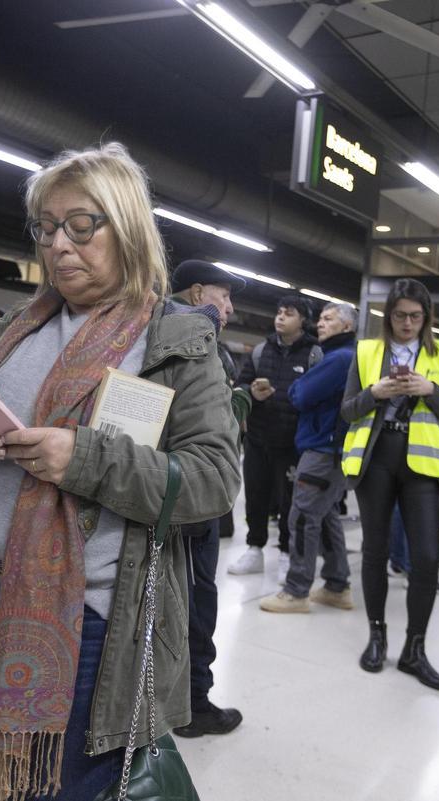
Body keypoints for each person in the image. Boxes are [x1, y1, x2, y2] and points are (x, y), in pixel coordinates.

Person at [0, 143, 240, 801]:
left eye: (81, 225)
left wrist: (81, 457)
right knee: (3, 779)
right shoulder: (16, 330)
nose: (59, 244)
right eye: (47, 227)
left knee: (66, 788)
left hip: (90, 616)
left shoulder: (175, 340)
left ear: (128, 226)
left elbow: (212, 478)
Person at [340, 278, 439, 692]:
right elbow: (347, 410)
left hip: (424, 464)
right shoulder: (367, 351)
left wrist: (429, 389)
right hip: (377, 459)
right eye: (399, 315)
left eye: (414, 316)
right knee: (375, 551)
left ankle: (415, 648)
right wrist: (375, 392)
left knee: (426, 558)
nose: (407, 323)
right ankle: (377, 635)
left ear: (425, 318)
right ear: (388, 316)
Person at [168, 258, 248, 738]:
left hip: (158, 489)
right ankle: (194, 703)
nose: (231, 309)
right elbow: (214, 423)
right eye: (225, 296)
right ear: (197, 293)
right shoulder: (200, 345)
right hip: (193, 494)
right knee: (199, 599)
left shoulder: (144, 331)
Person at [260, 301, 357, 613]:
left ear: (347, 327)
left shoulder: (339, 359)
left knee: (301, 516)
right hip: (330, 448)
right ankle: (336, 584)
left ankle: (297, 590)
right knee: (325, 516)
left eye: (330, 320)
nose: (321, 324)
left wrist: (297, 385)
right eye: (322, 319)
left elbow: (299, 394)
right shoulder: (339, 356)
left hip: (323, 449)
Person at [230, 295, 320, 577]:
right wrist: (251, 392)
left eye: (289, 313)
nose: (280, 317)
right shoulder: (260, 351)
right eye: (279, 312)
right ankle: (254, 549)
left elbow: (318, 396)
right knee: (255, 495)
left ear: (303, 321)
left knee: (289, 501)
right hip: (258, 439)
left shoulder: (314, 355)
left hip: (292, 444)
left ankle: (285, 552)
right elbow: (241, 385)